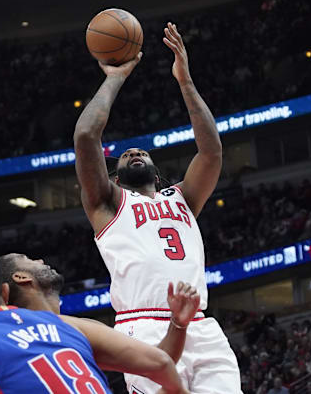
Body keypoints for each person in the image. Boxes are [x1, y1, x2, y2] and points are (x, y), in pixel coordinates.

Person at [73, 21, 239, 393]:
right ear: (114, 178)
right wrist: (116, 76)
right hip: (143, 326)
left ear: (157, 172)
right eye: (125, 155)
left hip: (200, 324)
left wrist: (185, 81)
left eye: (140, 151)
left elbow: (211, 151)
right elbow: (86, 136)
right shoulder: (108, 204)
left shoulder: (183, 198)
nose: (133, 152)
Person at [0, 247, 190, 394]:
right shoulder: (71, 327)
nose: (40, 258)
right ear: (5, 291)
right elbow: (162, 363)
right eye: (28, 258)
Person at [0, 253, 200, 364]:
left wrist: (178, 324)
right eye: (29, 260)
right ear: (21, 277)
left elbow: (159, 360)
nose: (40, 260)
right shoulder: (6, 339)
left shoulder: (82, 329)